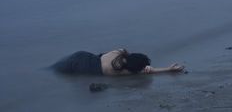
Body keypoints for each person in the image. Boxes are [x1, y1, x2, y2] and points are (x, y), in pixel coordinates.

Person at [51, 49, 185, 75]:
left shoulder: (120, 51)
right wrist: (168, 69)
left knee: (53, 69)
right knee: (56, 72)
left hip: (82, 55)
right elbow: (150, 71)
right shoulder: (123, 71)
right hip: (84, 68)